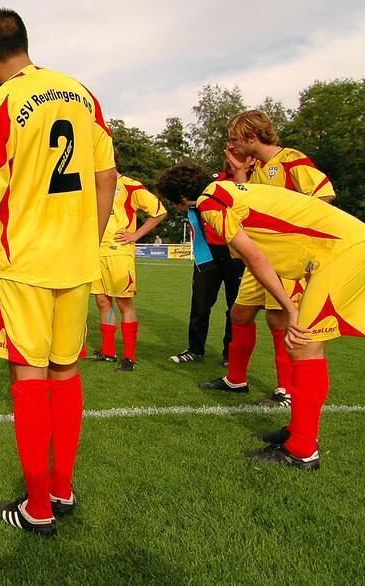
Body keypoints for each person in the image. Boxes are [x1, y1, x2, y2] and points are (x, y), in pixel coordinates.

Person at [0, 7, 117, 535]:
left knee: (28, 377)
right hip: (76, 262)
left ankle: (38, 508)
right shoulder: (81, 93)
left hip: (24, 263)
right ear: (25, 41)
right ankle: (63, 488)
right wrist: (86, 239)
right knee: (66, 371)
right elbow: (106, 176)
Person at [155, 163, 363, 470]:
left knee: (304, 345)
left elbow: (255, 256)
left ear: (182, 198)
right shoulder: (226, 192)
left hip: (341, 253)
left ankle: (302, 451)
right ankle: (298, 433)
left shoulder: (211, 204)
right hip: (338, 248)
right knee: (297, 342)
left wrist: (291, 308)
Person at [201, 111, 335, 407]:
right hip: (260, 258)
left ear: (252, 137)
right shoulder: (258, 167)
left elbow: (324, 194)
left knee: (278, 319)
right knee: (240, 314)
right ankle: (235, 381)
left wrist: (296, 233)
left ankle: (285, 390)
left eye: (235, 139)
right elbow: (246, 202)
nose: (231, 145)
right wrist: (239, 172)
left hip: (286, 260)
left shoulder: (290, 159)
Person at [85, 164, 167, 371]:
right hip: (95, 251)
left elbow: (159, 211)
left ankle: (129, 356)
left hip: (119, 252)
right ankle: (108, 351)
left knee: (124, 303)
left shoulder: (129, 185)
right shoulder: (92, 186)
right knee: (102, 302)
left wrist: (136, 235)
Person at [169, 166, 245, 367]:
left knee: (235, 308)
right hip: (207, 252)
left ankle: (230, 355)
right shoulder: (213, 178)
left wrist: (241, 173)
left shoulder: (250, 179)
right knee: (200, 304)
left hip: (236, 251)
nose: (231, 152)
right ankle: (195, 350)